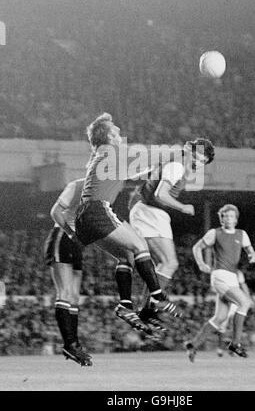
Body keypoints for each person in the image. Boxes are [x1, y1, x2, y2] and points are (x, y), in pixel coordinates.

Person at [75, 112, 181, 337]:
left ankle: (125, 305)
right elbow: (148, 156)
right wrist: (175, 152)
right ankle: (158, 296)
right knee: (139, 245)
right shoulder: (112, 151)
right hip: (97, 210)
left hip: (84, 218)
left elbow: (130, 174)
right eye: (116, 132)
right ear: (108, 136)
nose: (120, 134)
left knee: (126, 256)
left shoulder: (102, 155)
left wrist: (150, 172)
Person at [129, 138, 215, 329]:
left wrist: (128, 179)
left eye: (203, 161)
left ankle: (147, 310)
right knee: (169, 262)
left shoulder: (174, 162)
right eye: (197, 156)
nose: (198, 162)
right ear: (188, 150)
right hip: (150, 212)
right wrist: (183, 207)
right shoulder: (177, 166)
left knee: (164, 263)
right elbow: (161, 194)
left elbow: (147, 174)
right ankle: (148, 309)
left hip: (148, 211)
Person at [185, 204, 255, 360]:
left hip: (232, 277)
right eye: (225, 216)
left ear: (236, 219)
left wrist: (252, 255)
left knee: (220, 318)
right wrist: (201, 264)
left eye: (231, 216)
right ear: (221, 218)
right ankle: (235, 343)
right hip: (220, 275)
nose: (228, 219)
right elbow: (197, 247)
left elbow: (250, 250)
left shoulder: (242, 234)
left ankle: (193, 345)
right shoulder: (215, 233)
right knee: (244, 303)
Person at [44, 178, 92, 366]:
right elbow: (55, 211)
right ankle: (69, 344)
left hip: (76, 242)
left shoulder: (101, 192)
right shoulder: (77, 185)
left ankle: (75, 344)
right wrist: (71, 233)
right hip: (63, 237)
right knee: (64, 292)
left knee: (73, 296)